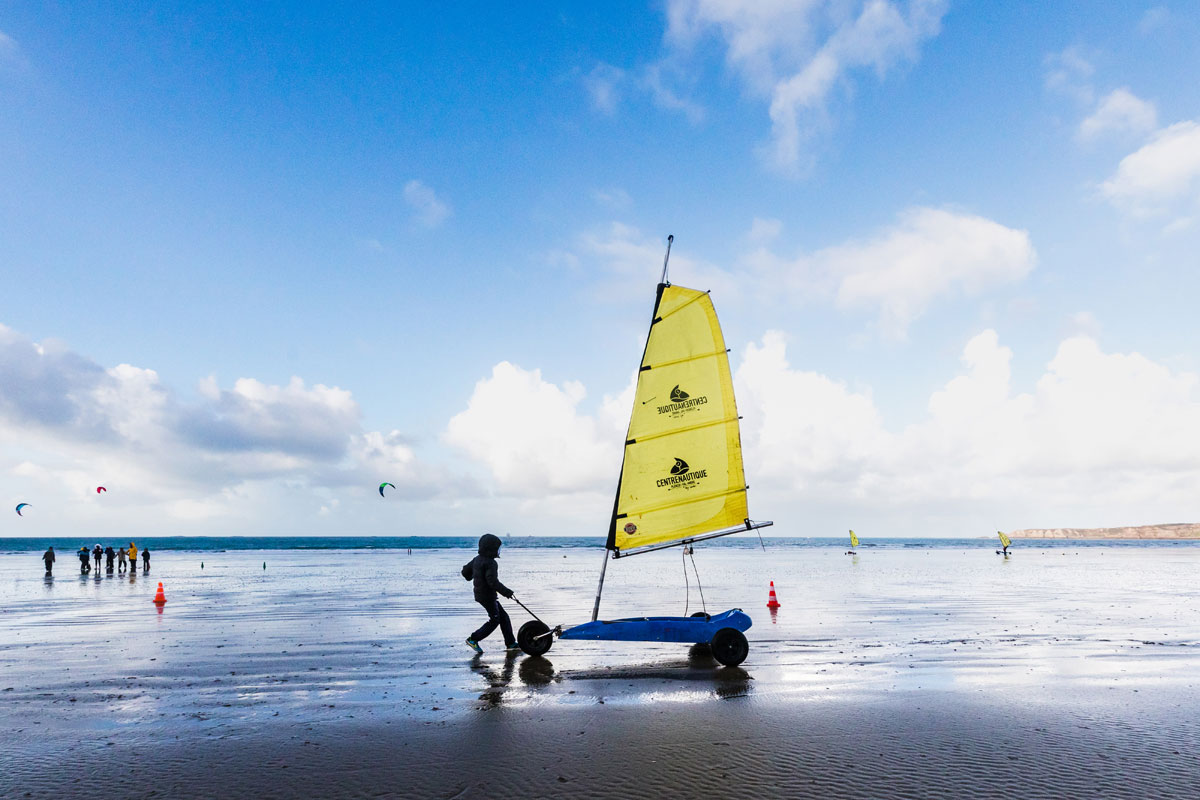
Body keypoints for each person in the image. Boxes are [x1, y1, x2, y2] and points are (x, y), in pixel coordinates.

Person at [461, 533, 518, 654]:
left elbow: (465, 572)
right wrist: (506, 592)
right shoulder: (491, 563)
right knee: (495, 619)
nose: (498, 551)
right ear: (491, 548)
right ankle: (473, 639)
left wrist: (473, 575)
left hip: (481, 594)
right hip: (487, 596)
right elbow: (492, 582)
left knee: (504, 617)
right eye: (497, 548)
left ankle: (511, 643)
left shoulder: (477, 559)